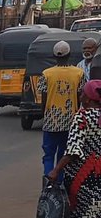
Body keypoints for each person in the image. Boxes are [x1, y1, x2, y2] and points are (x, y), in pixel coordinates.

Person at [48, 77, 101, 218]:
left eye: (82, 94)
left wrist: (56, 169)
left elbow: (73, 150)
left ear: (88, 98)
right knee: (97, 210)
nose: (80, 96)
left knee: (81, 212)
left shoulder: (83, 116)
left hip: (82, 173)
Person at [36, 40, 83, 178]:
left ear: (54, 56)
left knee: (48, 154)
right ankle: (60, 182)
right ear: (70, 55)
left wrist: (44, 115)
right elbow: (80, 97)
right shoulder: (78, 73)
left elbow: (43, 99)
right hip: (71, 120)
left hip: (51, 120)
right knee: (63, 154)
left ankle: (48, 180)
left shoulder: (46, 74)